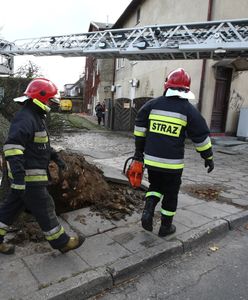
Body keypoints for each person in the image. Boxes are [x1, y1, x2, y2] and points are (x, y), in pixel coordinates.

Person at [0, 78, 85, 254]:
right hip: (29, 179)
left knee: (9, 210)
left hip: (25, 179)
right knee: (46, 207)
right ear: (40, 98)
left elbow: (40, 145)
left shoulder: (35, 117)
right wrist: (19, 177)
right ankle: (62, 242)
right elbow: (12, 148)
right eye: (48, 99)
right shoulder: (25, 118)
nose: (50, 103)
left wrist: (55, 156)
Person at [133, 68, 214, 237]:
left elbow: (139, 127)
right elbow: (200, 137)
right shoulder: (188, 110)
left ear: (167, 86)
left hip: (152, 160)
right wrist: (208, 157)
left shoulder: (152, 105)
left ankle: (148, 211)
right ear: (186, 89)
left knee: (155, 187)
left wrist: (138, 152)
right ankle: (165, 227)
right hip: (172, 164)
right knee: (171, 193)